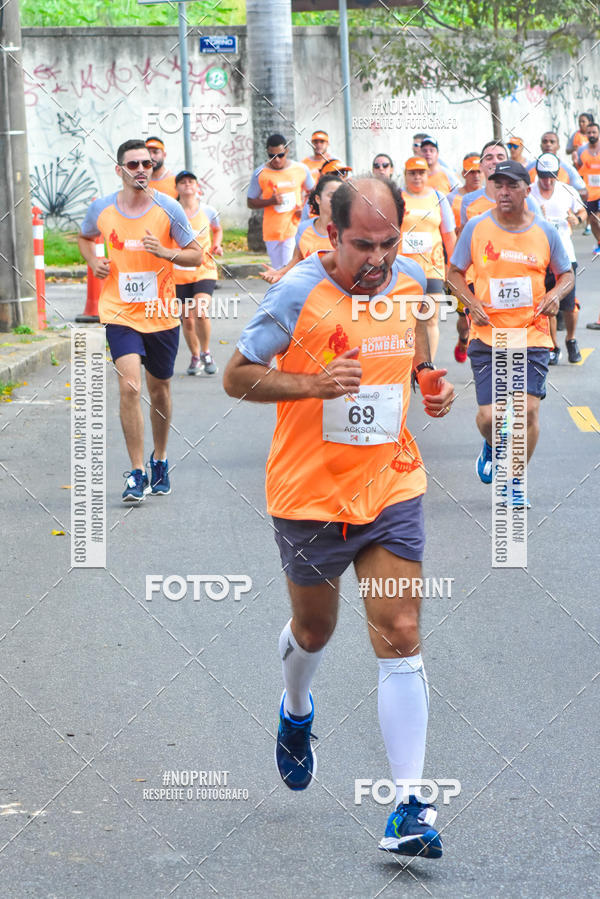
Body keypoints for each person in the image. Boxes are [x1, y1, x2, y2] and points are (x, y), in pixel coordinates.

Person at [224, 176, 455, 860]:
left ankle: (410, 805)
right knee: (314, 628)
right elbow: (238, 375)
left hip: (389, 485)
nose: (377, 259)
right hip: (309, 496)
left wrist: (427, 379)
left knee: (402, 629)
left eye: (387, 243)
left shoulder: (408, 276)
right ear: (331, 232)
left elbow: (413, 334)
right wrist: (311, 383)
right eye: (362, 245)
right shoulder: (296, 292)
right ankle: (297, 711)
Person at [78, 139, 202, 501]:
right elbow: (85, 238)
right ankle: (135, 472)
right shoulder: (102, 209)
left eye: (146, 164)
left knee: (159, 390)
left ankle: (159, 459)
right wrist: (93, 260)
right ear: (119, 170)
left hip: (161, 314)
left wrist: (166, 253)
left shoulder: (169, 209)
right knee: (129, 386)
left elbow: (196, 256)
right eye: (132, 164)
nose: (140, 170)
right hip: (120, 311)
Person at [448, 160, 573, 508]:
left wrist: (553, 296)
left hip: (531, 334)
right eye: (498, 185)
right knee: (490, 418)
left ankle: (513, 481)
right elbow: (454, 273)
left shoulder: (544, 231)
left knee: (528, 412)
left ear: (526, 190)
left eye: (511, 185)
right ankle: (491, 445)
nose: (503, 191)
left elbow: (566, 274)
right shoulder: (476, 227)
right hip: (487, 335)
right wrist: (470, 302)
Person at [454, 141, 542, 364]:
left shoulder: (528, 201)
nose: (494, 161)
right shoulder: (469, 201)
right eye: (489, 157)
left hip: (518, 274)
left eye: (500, 156)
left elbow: (539, 239)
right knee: (484, 329)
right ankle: (489, 367)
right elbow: (466, 242)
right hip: (481, 277)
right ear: (482, 165)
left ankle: (510, 369)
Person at [531, 154, 586, 364]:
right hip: (540, 257)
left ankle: (571, 340)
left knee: (569, 305)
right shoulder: (530, 193)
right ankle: (552, 346)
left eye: (551, 177)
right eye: (543, 177)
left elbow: (583, 210)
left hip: (565, 255)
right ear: (537, 175)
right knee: (547, 304)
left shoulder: (567, 191)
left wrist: (577, 218)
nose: (547, 181)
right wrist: (535, 216)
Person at [400, 156, 456, 360]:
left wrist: (453, 267)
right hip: (403, 269)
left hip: (433, 268)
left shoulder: (438, 198)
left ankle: (428, 366)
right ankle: (408, 364)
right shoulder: (398, 198)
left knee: (431, 319)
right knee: (405, 320)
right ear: (405, 175)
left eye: (421, 173)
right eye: (412, 173)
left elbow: (449, 235)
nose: (417, 177)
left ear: (427, 174)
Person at [173, 170, 218, 375]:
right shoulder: (170, 212)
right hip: (179, 272)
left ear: (197, 186)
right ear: (177, 188)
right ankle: (195, 355)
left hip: (204, 269)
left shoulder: (208, 210)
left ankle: (206, 352)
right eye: (183, 182)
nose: (187, 185)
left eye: (191, 181)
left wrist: (216, 245)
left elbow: (217, 229)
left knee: (200, 311)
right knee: (187, 319)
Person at [260, 174, 343, 284]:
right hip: (309, 294)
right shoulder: (304, 228)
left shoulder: (349, 231)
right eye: (332, 195)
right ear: (318, 199)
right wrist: (280, 273)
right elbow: (298, 259)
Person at [247, 134, 314, 268]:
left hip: (294, 228)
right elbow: (250, 202)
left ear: (287, 151)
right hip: (272, 231)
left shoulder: (300, 169)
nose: (276, 160)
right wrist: (269, 201)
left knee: (288, 268)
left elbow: (314, 193)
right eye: (272, 156)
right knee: (279, 271)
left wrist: (305, 208)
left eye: (280, 155)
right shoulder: (260, 173)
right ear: (267, 152)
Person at [526, 132, 587, 198]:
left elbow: (584, 192)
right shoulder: (530, 168)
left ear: (558, 146)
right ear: (541, 146)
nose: (548, 144)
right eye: (545, 142)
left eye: (552, 142)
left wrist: (562, 196)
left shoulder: (568, 169)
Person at [575, 122, 600, 254]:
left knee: (597, 217)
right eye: (589, 132)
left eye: (594, 132)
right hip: (590, 193)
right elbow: (579, 169)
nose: (591, 135)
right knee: (592, 221)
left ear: (598, 133)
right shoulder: (581, 150)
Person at [450, 153, 483, 229]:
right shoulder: (451, 198)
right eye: (472, 172)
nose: (476, 175)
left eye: (479, 171)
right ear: (463, 174)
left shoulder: (491, 197)